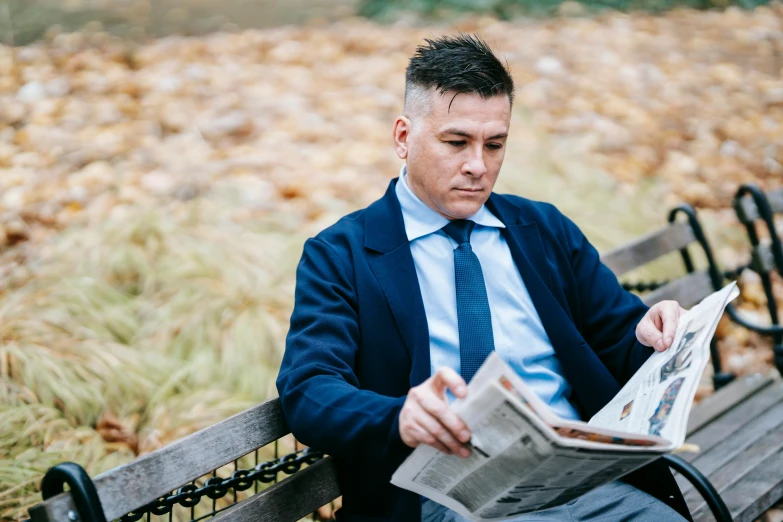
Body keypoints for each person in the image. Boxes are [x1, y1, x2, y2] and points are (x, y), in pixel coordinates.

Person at [277, 34, 691, 522]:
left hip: (578, 484)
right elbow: (309, 389)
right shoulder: (341, 254)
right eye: (456, 143)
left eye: (495, 145)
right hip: (440, 500)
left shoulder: (544, 230)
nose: (478, 166)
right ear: (404, 137)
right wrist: (400, 417)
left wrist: (650, 332)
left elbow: (618, 336)